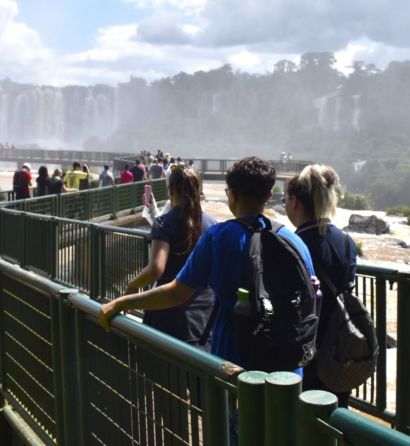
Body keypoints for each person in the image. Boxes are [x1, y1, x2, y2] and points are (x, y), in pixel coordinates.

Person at [99, 156, 315, 372]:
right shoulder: (295, 242)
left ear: (232, 194)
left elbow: (175, 293)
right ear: (268, 196)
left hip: (234, 364)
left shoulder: (218, 237)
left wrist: (122, 302)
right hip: (288, 367)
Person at [284, 164, 357, 408]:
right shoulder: (347, 242)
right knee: (336, 418)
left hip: (303, 350)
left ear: (295, 201)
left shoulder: (290, 243)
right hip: (339, 352)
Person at [123, 166, 217, 348]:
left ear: (171, 189)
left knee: (162, 371)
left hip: (168, 314)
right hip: (205, 315)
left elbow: (155, 270)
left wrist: (131, 287)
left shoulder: (164, 222)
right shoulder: (212, 223)